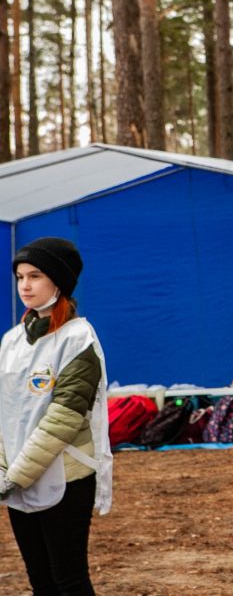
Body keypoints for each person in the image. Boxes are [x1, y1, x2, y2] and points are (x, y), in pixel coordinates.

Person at [0, 237, 112, 595]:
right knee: (40, 581)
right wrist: (4, 469)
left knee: (69, 579)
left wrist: (15, 474)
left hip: (66, 477)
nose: (25, 286)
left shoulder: (77, 339)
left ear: (59, 282)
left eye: (35, 276)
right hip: (18, 477)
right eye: (19, 277)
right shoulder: (12, 341)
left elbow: (63, 418)